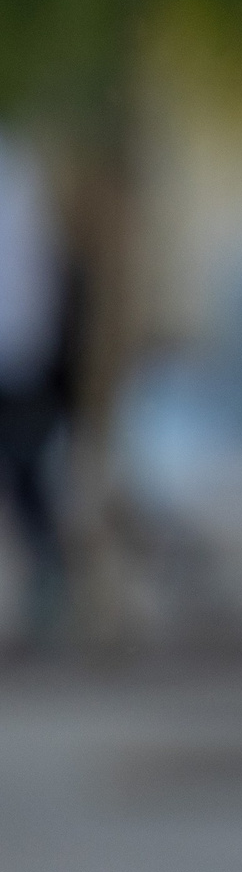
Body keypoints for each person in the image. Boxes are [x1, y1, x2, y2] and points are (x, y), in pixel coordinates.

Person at [0, 132, 73, 643]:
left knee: (26, 473)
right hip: (25, 346)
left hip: (20, 353)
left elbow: (35, 272)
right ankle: (45, 580)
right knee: (27, 474)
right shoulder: (22, 173)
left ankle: (48, 585)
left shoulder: (19, 172)